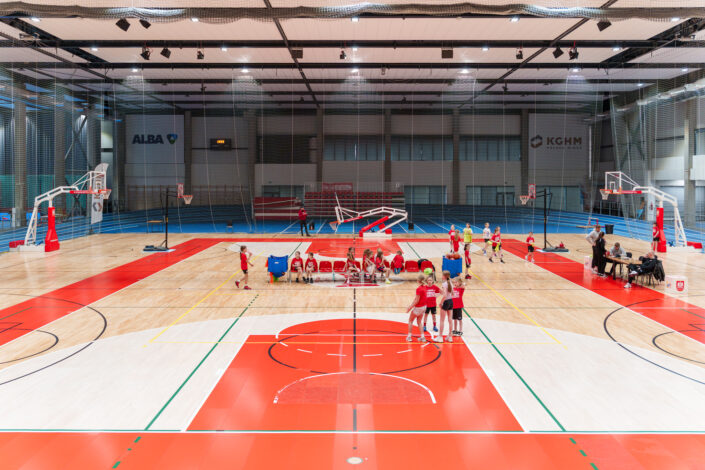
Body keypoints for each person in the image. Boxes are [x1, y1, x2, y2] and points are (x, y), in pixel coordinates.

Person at [406, 274, 428, 342]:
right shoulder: (425, 287)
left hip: (418, 307)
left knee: (410, 321)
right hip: (424, 307)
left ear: (418, 281)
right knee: (419, 322)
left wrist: (410, 307)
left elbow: (417, 300)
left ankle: (409, 337)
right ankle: (423, 337)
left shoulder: (418, 289)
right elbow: (416, 298)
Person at [434, 271, 454, 343]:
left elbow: (445, 295)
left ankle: (440, 337)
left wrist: (441, 302)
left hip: (446, 302)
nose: (441, 276)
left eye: (442, 275)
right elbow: (452, 293)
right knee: (450, 320)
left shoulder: (444, 284)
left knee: (442, 320)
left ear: (445, 276)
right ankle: (450, 336)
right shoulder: (450, 282)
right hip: (451, 301)